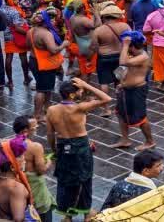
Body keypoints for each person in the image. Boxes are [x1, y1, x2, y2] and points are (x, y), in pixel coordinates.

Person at [47, 78, 111, 221]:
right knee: (84, 179)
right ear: (71, 95)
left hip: (62, 146)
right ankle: (86, 213)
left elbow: (50, 134)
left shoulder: (51, 110)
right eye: (79, 90)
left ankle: (67, 216)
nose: (82, 91)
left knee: (65, 181)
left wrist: (55, 151)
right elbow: (106, 98)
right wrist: (86, 84)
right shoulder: (79, 107)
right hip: (81, 147)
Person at [100, 150, 164, 211]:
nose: (162, 168)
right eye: (158, 166)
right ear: (146, 171)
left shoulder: (118, 185)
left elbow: (105, 209)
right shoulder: (150, 193)